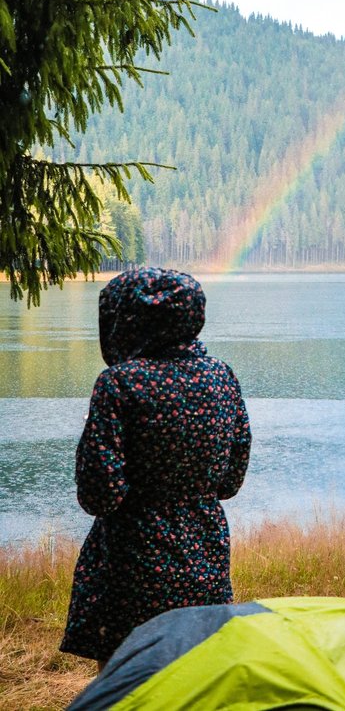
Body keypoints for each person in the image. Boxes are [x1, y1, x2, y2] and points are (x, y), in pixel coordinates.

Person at [60, 267, 251, 669]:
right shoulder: (223, 377)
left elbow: (98, 494)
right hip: (206, 551)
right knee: (196, 675)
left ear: (128, 319)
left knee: (129, 680)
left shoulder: (118, 384)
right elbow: (231, 481)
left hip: (134, 561)